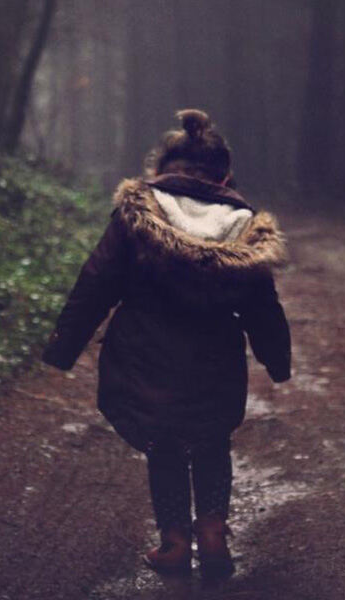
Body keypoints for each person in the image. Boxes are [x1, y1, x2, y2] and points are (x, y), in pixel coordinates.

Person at [41, 109, 291, 578]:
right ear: (225, 175)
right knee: (212, 440)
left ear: (159, 168)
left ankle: (175, 542)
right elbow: (262, 304)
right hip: (216, 356)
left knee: (165, 444)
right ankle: (213, 533)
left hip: (145, 352)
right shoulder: (245, 227)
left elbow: (97, 281)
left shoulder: (137, 214)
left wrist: (64, 346)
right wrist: (276, 359)